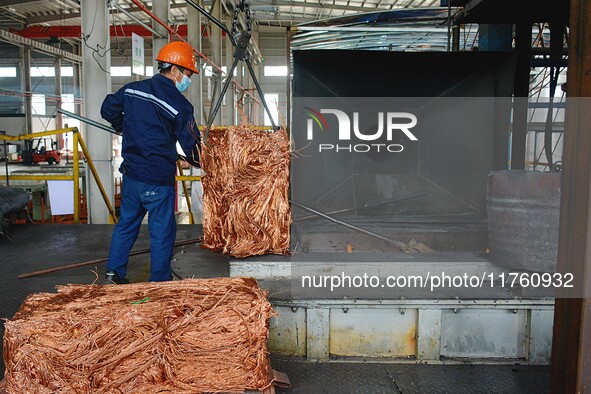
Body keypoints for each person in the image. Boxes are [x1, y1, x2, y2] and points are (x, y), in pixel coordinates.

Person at [101, 41, 201, 284]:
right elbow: (193, 147)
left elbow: (107, 109)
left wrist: (122, 126)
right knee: (162, 233)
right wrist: (202, 161)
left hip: (132, 177)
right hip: (158, 181)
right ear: (175, 69)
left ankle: (113, 274)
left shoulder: (133, 89)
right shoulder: (180, 105)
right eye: (188, 74)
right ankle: (159, 283)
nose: (188, 80)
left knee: (126, 226)